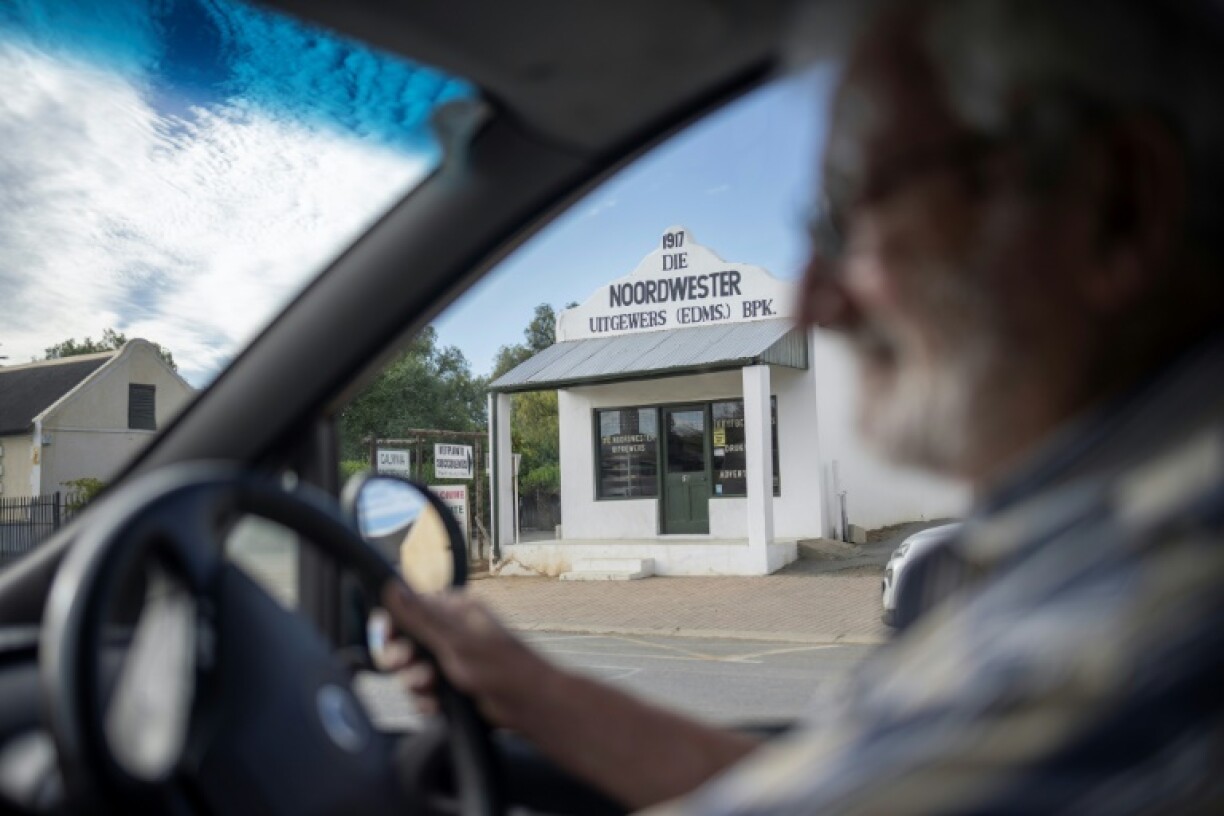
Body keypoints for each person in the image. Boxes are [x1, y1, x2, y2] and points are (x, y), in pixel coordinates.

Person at [381, 0, 1224, 811]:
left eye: (856, 217)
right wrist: (535, 693)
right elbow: (834, 791)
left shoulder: (1139, 616)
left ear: (1116, 207)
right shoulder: (1081, 555)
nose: (813, 303)